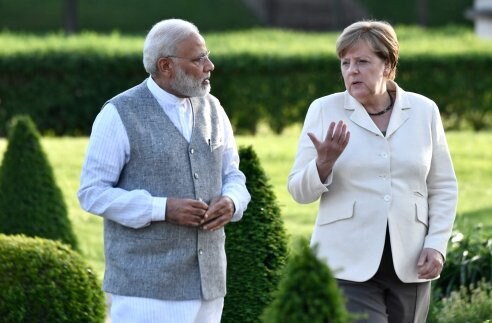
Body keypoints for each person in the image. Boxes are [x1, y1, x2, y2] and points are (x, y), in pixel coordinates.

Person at [77, 18, 251, 323]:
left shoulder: (214, 107)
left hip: (210, 285)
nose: (210, 66)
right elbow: (92, 193)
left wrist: (232, 201)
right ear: (165, 66)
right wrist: (162, 208)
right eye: (198, 59)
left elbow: (233, 174)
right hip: (145, 290)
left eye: (207, 56)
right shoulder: (118, 114)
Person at [287, 20, 458, 323]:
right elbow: (298, 192)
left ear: (388, 66)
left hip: (411, 263)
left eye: (362, 62)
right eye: (345, 63)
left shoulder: (423, 111)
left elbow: (443, 186)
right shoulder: (324, 110)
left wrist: (437, 244)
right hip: (346, 265)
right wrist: (323, 164)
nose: (352, 70)